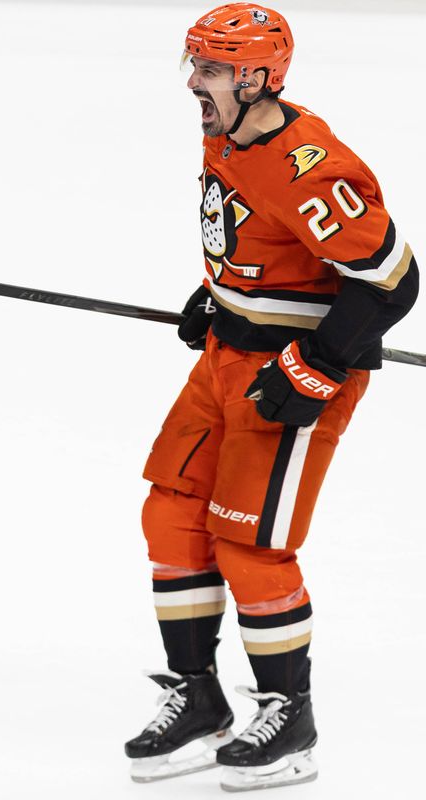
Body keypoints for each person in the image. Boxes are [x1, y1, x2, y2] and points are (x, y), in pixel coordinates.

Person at [125, 4, 417, 792]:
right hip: (226, 359)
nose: (194, 82)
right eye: (194, 64)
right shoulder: (225, 131)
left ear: (257, 77)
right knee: (172, 513)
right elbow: (257, 240)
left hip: (288, 373)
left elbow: (392, 281)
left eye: (212, 69)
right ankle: (199, 700)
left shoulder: (310, 164)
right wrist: (218, 293)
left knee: (251, 545)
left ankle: (291, 718)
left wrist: (316, 361)